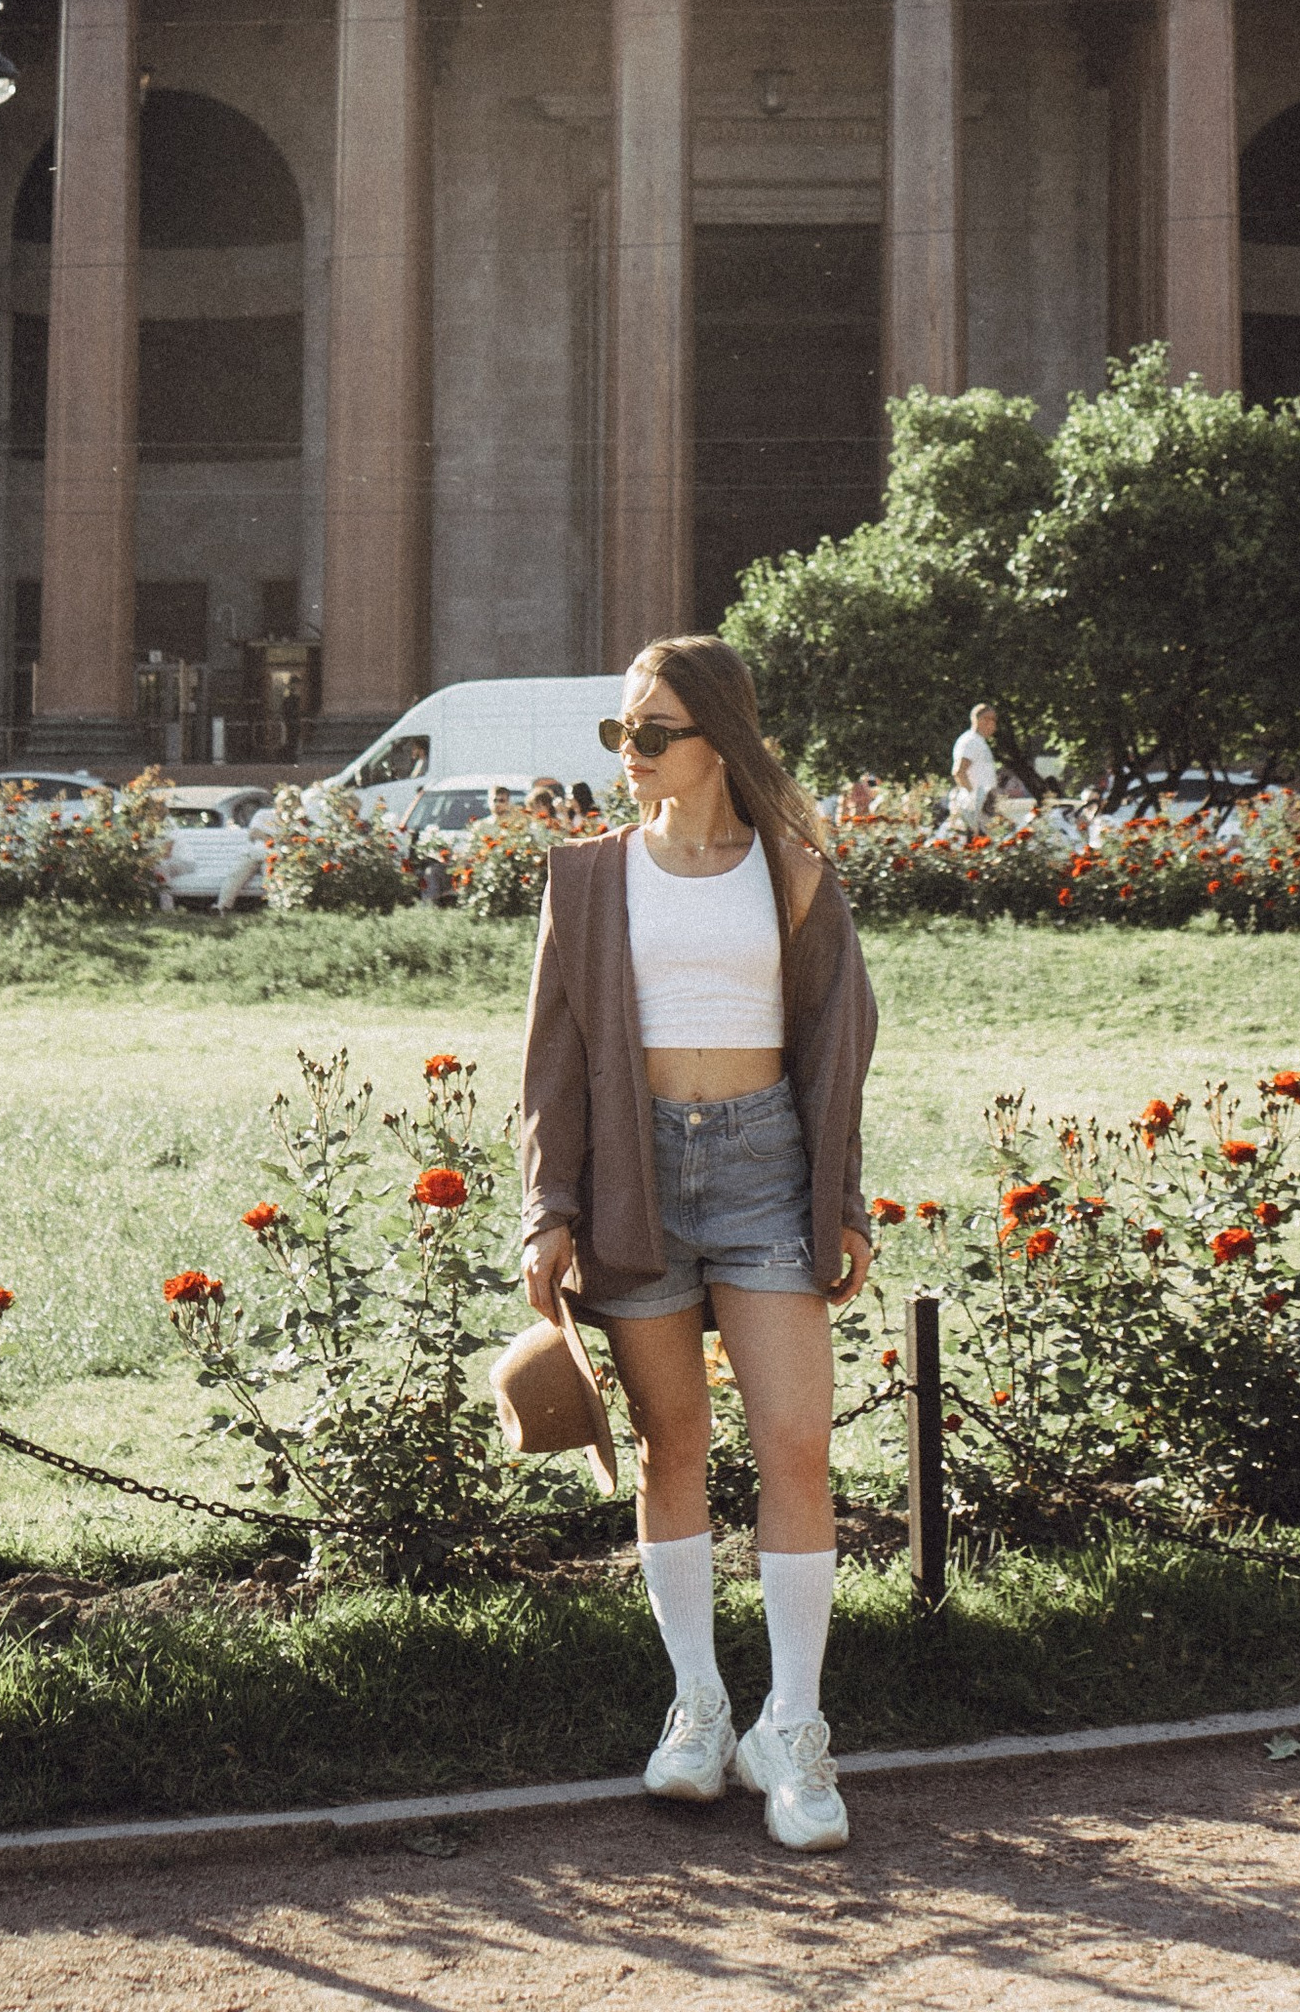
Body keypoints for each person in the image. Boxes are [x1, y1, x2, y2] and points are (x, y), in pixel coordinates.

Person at [521, 636, 877, 1849]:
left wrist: (846, 1198)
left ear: (718, 738)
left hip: (767, 1172)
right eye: (619, 731)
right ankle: (699, 1705)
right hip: (633, 1178)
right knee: (673, 1447)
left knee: (795, 1445)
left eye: (652, 732)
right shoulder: (585, 879)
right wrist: (547, 1209)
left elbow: (837, 1049)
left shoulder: (792, 873)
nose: (630, 753)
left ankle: (793, 1726)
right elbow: (552, 1064)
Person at [950, 705, 1001, 829]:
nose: (993, 724)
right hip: (976, 807)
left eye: (994, 720)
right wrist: (974, 801)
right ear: (981, 720)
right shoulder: (970, 741)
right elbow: (959, 771)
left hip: (985, 804)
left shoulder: (979, 742)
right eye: (990, 719)